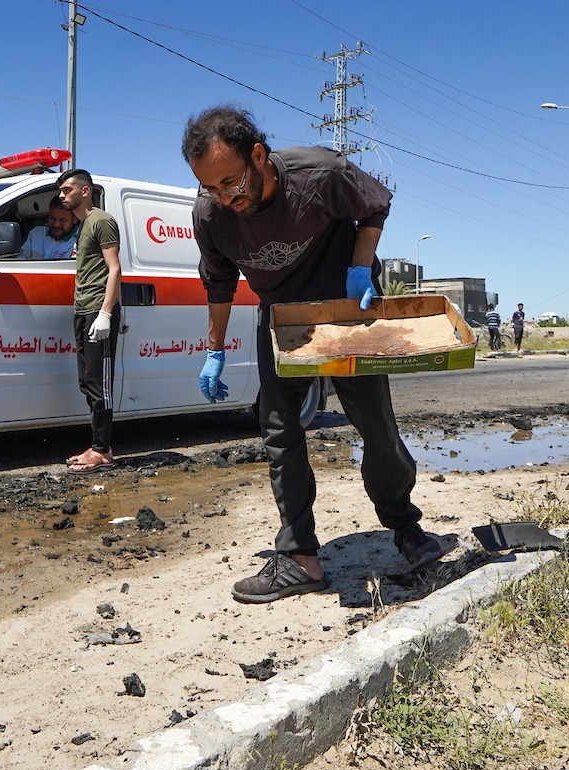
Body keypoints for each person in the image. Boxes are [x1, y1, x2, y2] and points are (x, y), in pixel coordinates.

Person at [182, 105, 444, 604]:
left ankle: (406, 528)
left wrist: (360, 267)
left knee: (376, 426)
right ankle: (300, 557)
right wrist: (214, 349)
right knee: (279, 431)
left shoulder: (320, 173)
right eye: (210, 187)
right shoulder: (211, 213)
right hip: (282, 319)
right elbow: (218, 283)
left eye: (231, 182)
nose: (225, 197)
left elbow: (374, 205)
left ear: (258, 156)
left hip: (345, 311)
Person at [56, 168, 122, 474]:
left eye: (66, 190)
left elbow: (114, 269)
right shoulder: (83, 226)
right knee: (87, 381)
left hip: (98, 310)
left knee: (99, 385)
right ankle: (97, 446)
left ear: (85, 191)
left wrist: (106, 314)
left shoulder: (101, 220)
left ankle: (102, 451)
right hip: (82, 311)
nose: (62, 195)